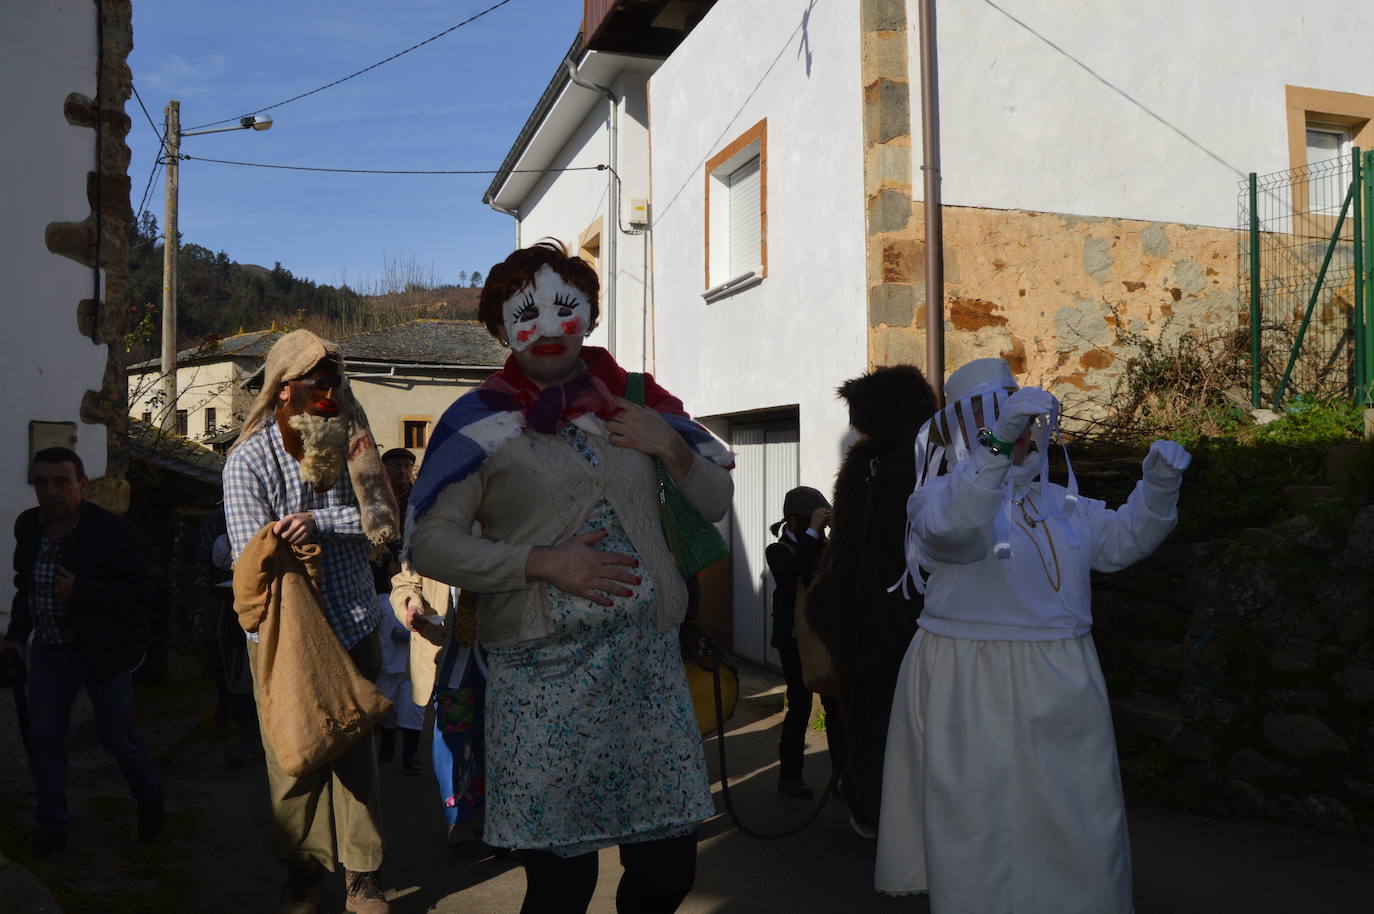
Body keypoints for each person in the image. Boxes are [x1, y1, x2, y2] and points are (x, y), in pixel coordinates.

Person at [407, 240, 734, 914]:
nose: (549, 328)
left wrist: (669, 444)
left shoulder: (637, 403)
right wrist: (543, 562)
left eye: (566, 309)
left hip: (648, 675)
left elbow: (716, 503)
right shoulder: (478, 422)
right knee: (562, 887)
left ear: (589, 315)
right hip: (541, 679)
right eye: (527, 314)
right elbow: (428, 544)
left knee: (669, 873)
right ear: (501, 328)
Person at [875, 358, 1192, 913]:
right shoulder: (936, 498)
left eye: (1019, 424)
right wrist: (995, 451)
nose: (1020, 436)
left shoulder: (1061, 501)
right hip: (969, 680)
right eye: (997, 425)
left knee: (1077, 816)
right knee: (979, 822)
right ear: (969, 433)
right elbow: (956, 531)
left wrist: (1158, 488)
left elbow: (1120, 543)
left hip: (1063, 679)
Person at [223, 329, 400, 914]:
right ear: (282, 392)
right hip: (283, 637)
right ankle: (302, 873)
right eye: (317, 385)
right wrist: (277, 539)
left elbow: (381, 518)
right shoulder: (247, 460)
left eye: (334, 383)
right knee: (294, 761)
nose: (330, 394)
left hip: (351, 620)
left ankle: (363, 876)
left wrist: (323, 526)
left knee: (355, 757)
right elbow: (251, 559)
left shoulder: (354, 441)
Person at [0, 447, 163, 857]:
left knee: (117, 737)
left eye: (61, 482)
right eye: (41, 483)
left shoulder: (110, 531)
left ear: (82, 485)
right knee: (45, 738)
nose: (51, 491)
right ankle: (52, 827)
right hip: (51, 653)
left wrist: (83, 591)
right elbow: (26, 586)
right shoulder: (29, 526)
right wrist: (17, 636)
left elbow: (144, 591)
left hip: (104, 654)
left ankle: (149, 798)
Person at [806, 364, 937, 837]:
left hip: (872, 625)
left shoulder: (878, 464)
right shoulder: (933, 458)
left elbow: (846, 552)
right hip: (917, 620)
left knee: (871, 723)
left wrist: (827, 607)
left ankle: (875, 807)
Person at [389, 572, 489, 847]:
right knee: (453, 735)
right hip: (449, 655)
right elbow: (405, 582)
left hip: (500, 651)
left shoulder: (509, 527)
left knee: (500, 736)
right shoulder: (427, 529)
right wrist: (411, 605)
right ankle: (459, 817)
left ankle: (499, 813)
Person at [764, 486, 846, 803]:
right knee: (798, 707)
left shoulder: (824, 545)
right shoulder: (778, 550)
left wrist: (836, 529)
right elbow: (793, 572)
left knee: (835, 708)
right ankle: (790, 777)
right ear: (794, 521)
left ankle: (842, 777)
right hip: (793, 640)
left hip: (825, 638)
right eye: (814, 522)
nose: (821, 528)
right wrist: (813, 531)